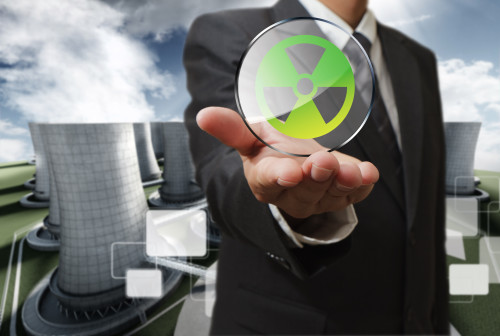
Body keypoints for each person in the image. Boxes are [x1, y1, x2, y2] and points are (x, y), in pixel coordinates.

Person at [183, 0, 448, 334]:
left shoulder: (418, 58)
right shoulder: (234, 32)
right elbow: (223, 167)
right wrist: (276, 195)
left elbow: (426, 216)